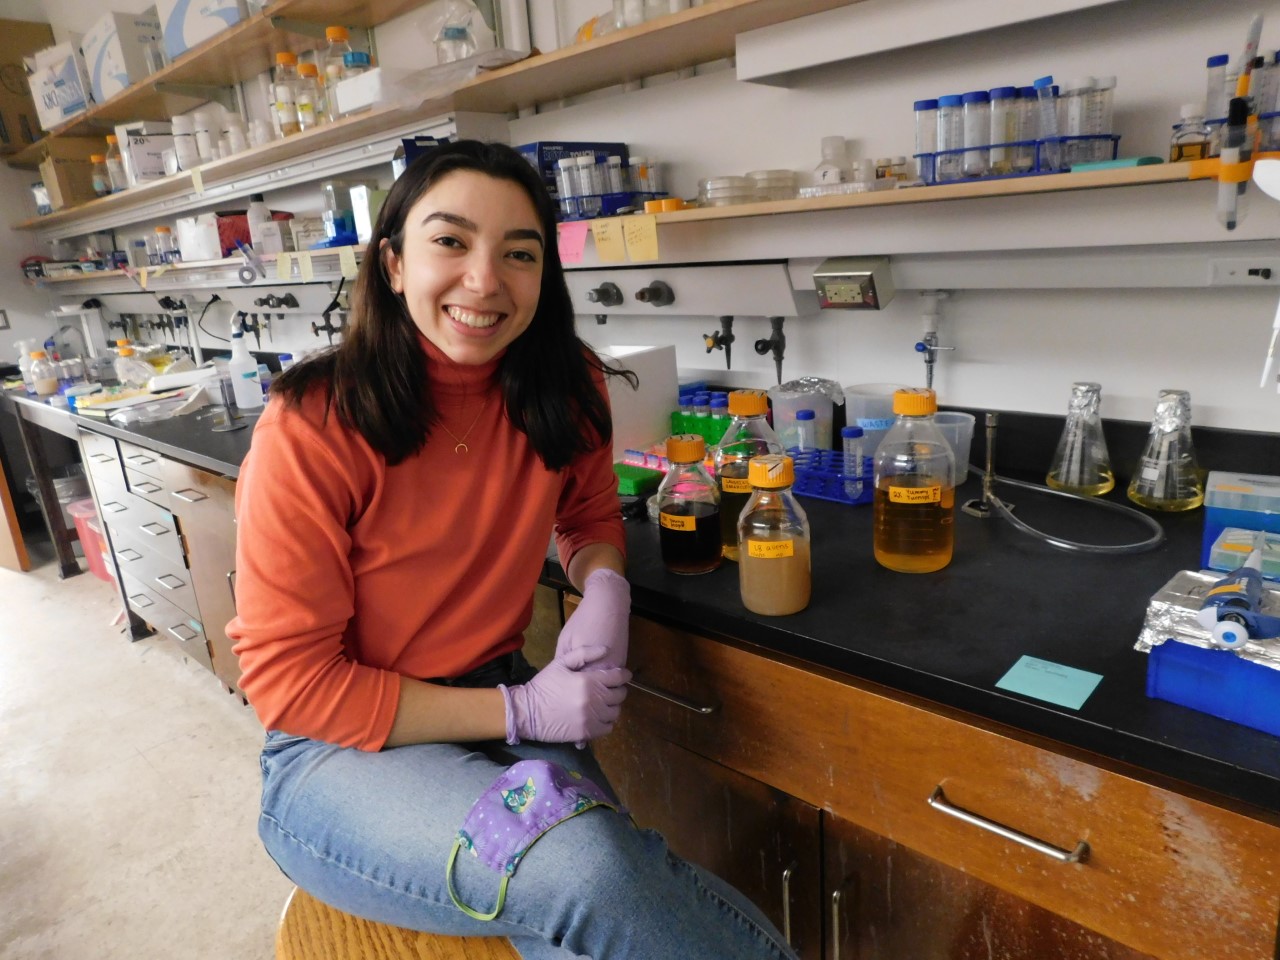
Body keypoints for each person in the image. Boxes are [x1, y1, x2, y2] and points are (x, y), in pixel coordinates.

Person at [226, 140, 798, 960]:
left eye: (519, 253)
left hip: (492, 693)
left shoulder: (568, 388)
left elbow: (590, 514)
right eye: (450, 241)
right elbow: (292, 686)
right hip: (337, 754)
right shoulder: (313, 427)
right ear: (392, 263)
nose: (485, 280)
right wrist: (526, 710)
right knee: (585, 869)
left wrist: (605, 586)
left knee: (604, 896)